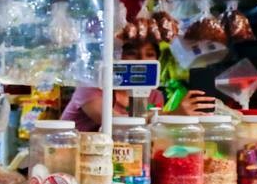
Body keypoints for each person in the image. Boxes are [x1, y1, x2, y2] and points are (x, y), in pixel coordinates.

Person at [61, 38, 217, 132]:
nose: (141, 60)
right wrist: (173, 114)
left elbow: (148, 132)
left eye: (149, 54)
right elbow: (115, 124)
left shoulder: (154, 95)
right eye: (132, 53)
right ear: (116, 56)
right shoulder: (92, 86)